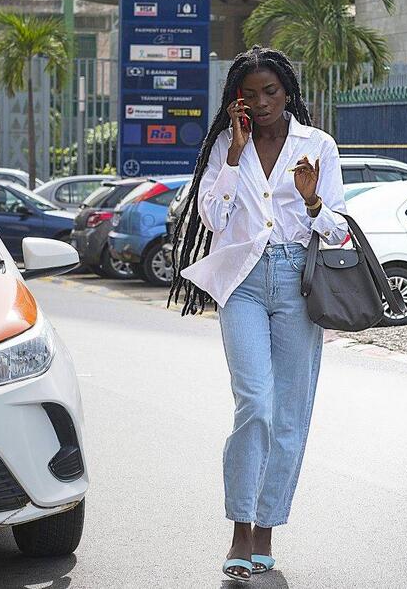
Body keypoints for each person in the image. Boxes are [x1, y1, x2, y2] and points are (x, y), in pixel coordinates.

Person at [169, 46, 348, 583]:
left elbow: (338, 229)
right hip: (243, 282)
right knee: (255, 404)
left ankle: (266, 531)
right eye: (250, 95)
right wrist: (231, 156)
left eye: (271, 92)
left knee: (290, 414)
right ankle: (239, 528)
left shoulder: (318, 146)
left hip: (298, 283)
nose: (263, 102)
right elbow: (214, 216)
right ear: (236, 103)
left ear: (288, 93)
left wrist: (313, 201)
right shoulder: (229, 145)